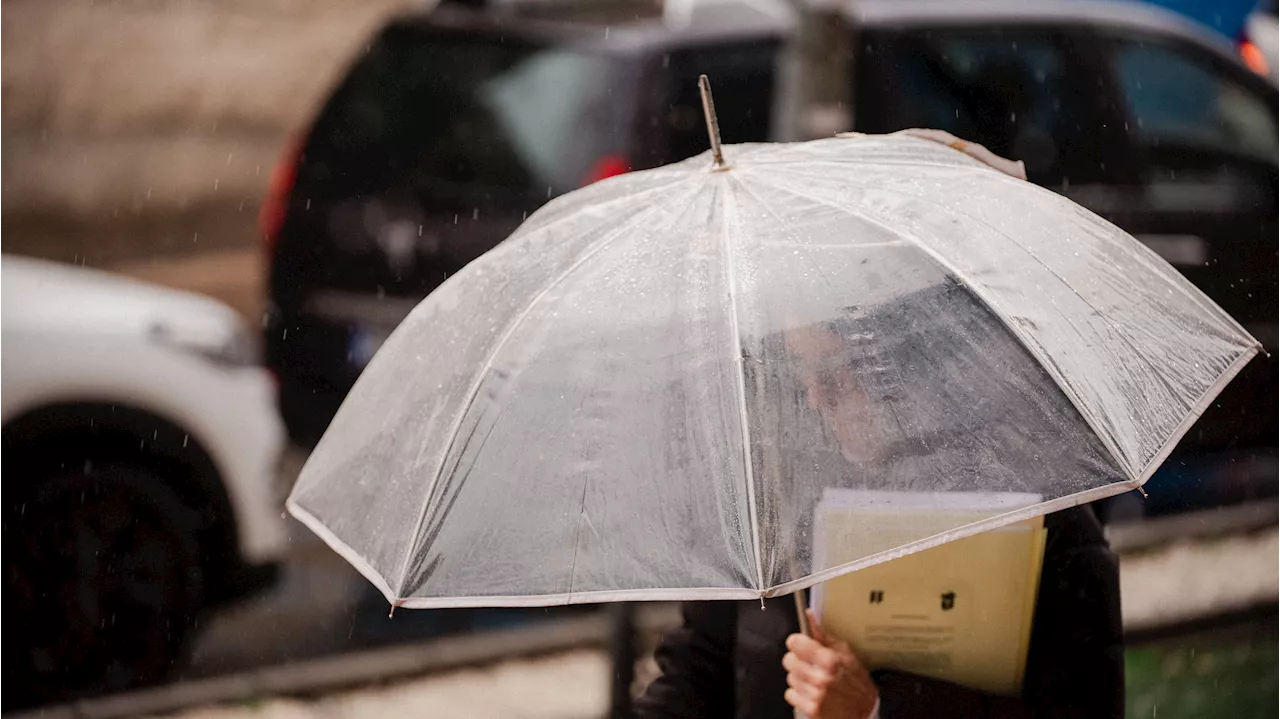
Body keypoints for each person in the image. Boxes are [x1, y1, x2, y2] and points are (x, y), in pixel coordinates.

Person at [635, 137, 1124, 718]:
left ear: (911, 364)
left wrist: (874, 710)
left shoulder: (1047, 515)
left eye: (839, 373)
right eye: (801, 374)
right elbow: (698, 673)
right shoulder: (771, 502)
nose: (816, 398)